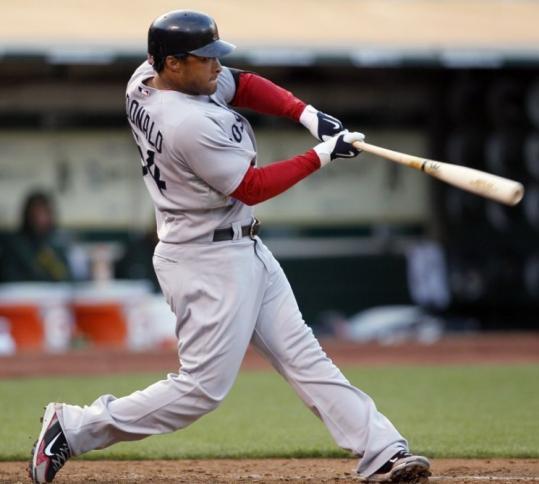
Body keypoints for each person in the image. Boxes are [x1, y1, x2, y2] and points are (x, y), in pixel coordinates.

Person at [29, 10, 431, 484]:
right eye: (205, 59)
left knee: (305, 356)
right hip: (205, 258)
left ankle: (381, 450)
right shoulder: (185, 123)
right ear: (173, 63)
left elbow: (241, 83)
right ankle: (74, 427)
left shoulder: (146, 77)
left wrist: (306, 115)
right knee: (201, 389)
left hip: (240, 245)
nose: (217, 66)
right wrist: (322, 155)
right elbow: (251, 186)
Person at [1, 190, 74, 283]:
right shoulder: (14, 245)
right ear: (27, 215)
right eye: (36, 213)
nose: (40, 218)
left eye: (44, 212)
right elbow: (10, 279)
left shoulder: (57, 244)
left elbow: (67, 278)